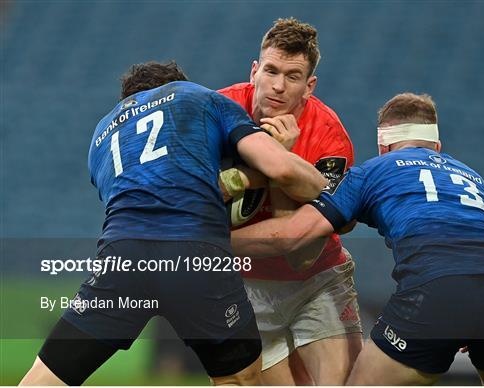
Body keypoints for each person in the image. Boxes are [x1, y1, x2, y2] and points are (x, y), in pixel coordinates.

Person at [19, 61, 326, 386]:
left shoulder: (100, 137)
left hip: (123, 258)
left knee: (47, 377)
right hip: (195, 253)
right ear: (176, 85)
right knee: (240, 378)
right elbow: (281, 169)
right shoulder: (198, 97)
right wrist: (333, 195)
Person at [232, 92, 484, 385]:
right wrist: (481, 316)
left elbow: (290, 236)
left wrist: (208, 237)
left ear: (383, 146)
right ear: (437, 146)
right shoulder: (476, 181)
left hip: (435, 289)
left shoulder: (373, 171)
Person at [218, 18, 363, 385]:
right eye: (271, 70)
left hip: (316, 280)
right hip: (243, 284)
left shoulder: (330, 137)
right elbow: (193, 197)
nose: (278, 86)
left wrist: (282, 166)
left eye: (293, 76)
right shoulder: (217, 111)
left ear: (309, 86)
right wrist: (269, 168)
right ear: (255, 70)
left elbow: (303, 250)